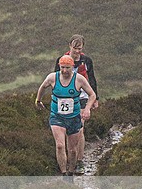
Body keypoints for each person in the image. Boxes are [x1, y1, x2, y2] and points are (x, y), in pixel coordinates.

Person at [35, 55, 97, 177]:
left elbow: (92, 95)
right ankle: (64, 174)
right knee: (59, 145)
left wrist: (87, 109)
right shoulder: (52, 77)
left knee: (73, 150)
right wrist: (38, 100)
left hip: (74, 118)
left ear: (72, 67)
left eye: (67, 68)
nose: (64, 71)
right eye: (62, 67)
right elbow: (42, 87)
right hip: (57, 117)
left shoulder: (79, 79)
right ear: (59, 66)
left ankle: (71, 172)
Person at [53, 35, 99, 175]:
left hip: (83, 96)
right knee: (64, 129)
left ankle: (79, 161)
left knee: (80, 129)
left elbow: (92, 78)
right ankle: (66, 161)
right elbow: (56, 78)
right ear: (69, 46)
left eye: (80, 48)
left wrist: (96, 98)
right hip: (66, 97)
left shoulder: (86, 61)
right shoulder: (61, 60)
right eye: (75, 48)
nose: (77, 51)